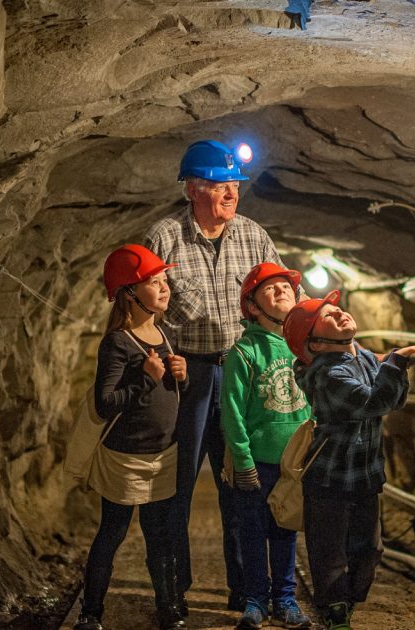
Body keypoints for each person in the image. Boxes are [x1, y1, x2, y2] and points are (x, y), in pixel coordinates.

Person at [144, 139, 291, 614]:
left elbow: (282, 302)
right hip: (187, 377)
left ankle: (245, 591)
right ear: (192, 189)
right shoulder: (164, 238)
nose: (231, 192)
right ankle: (172, 592)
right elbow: (143, 310)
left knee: (242, 485)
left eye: (234, 184)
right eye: (219, 184)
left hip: (241, 373)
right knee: (175, 488)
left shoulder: (254, 237)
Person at [281, 291, 415, 630]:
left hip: (365, 475)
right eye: (327, 316)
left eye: (337, 309)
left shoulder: (364, 357)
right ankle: (335, 610)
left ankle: (348, 599)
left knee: (369, 549)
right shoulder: (328, 374)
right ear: (316, 344)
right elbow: (373, 403)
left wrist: (394, 367)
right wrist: (395, 364)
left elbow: (394, 400)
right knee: (330, 551)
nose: (340, 313)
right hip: (330, 477)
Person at [77, 244, 188, 630]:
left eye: (164, 280)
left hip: (162, 454)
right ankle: (90, 612)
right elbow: (105, 402)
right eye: (153, 282)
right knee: (112, 532)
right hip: (125, 457)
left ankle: (167, 608)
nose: (165, 287)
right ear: (128, 293)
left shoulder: (163, 334)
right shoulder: (118, 342)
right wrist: (146, 378)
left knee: (160, 537)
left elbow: (168, 394)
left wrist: (181, 376)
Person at [220, 263, 315, 630]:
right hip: (258, 462)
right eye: (270, 289)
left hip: (293, 463)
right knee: (253, 532)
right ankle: (256, 600)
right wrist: (242, 460)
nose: (281, 291)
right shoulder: (244, 352)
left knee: (285, 530)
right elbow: (231, 411)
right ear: (253, 307)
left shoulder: (304, 348)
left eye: (286, 287)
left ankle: (285, 600)